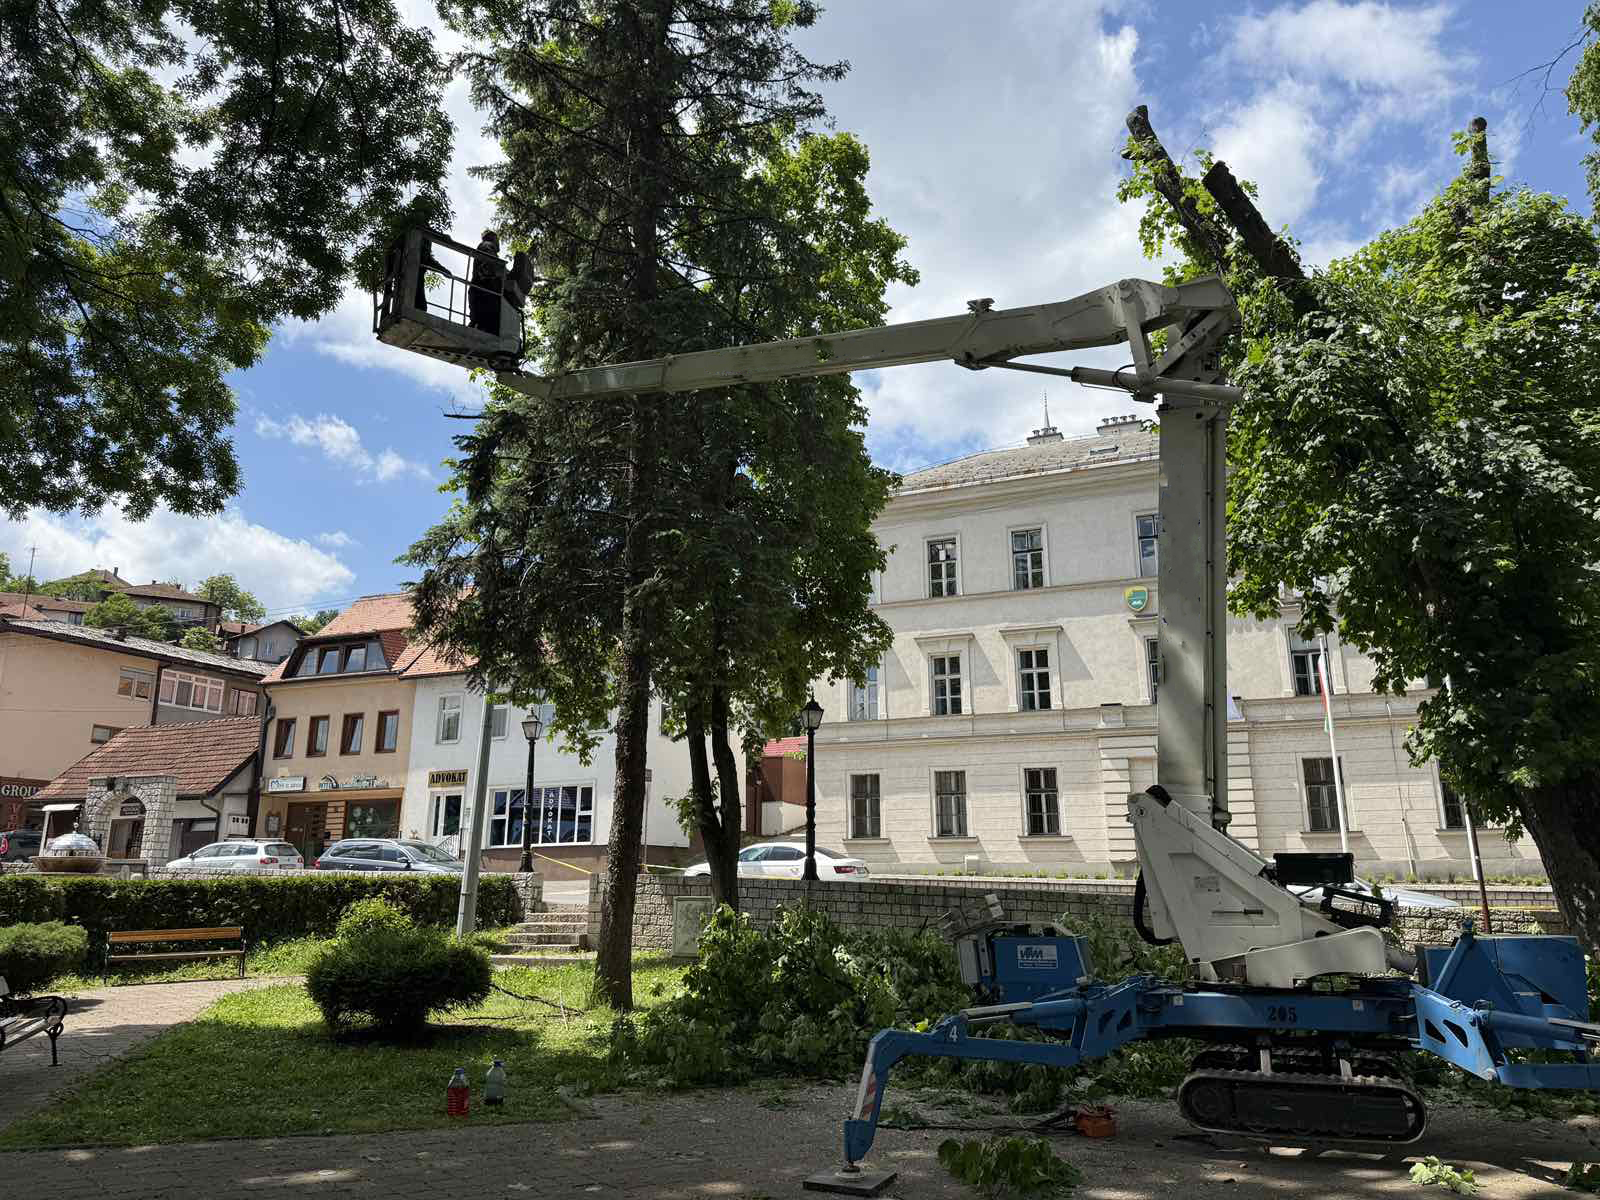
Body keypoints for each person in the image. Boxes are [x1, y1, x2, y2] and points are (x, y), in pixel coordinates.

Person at [468, 229, 505, 336]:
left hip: (480, 294)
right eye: (498, 240)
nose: (499, 243)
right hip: (484, 294)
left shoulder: (484, 247)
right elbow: (491, 266)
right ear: (493, 238)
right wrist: (506, 275)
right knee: (489, 328)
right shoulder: (487, 245)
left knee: (480, 325)